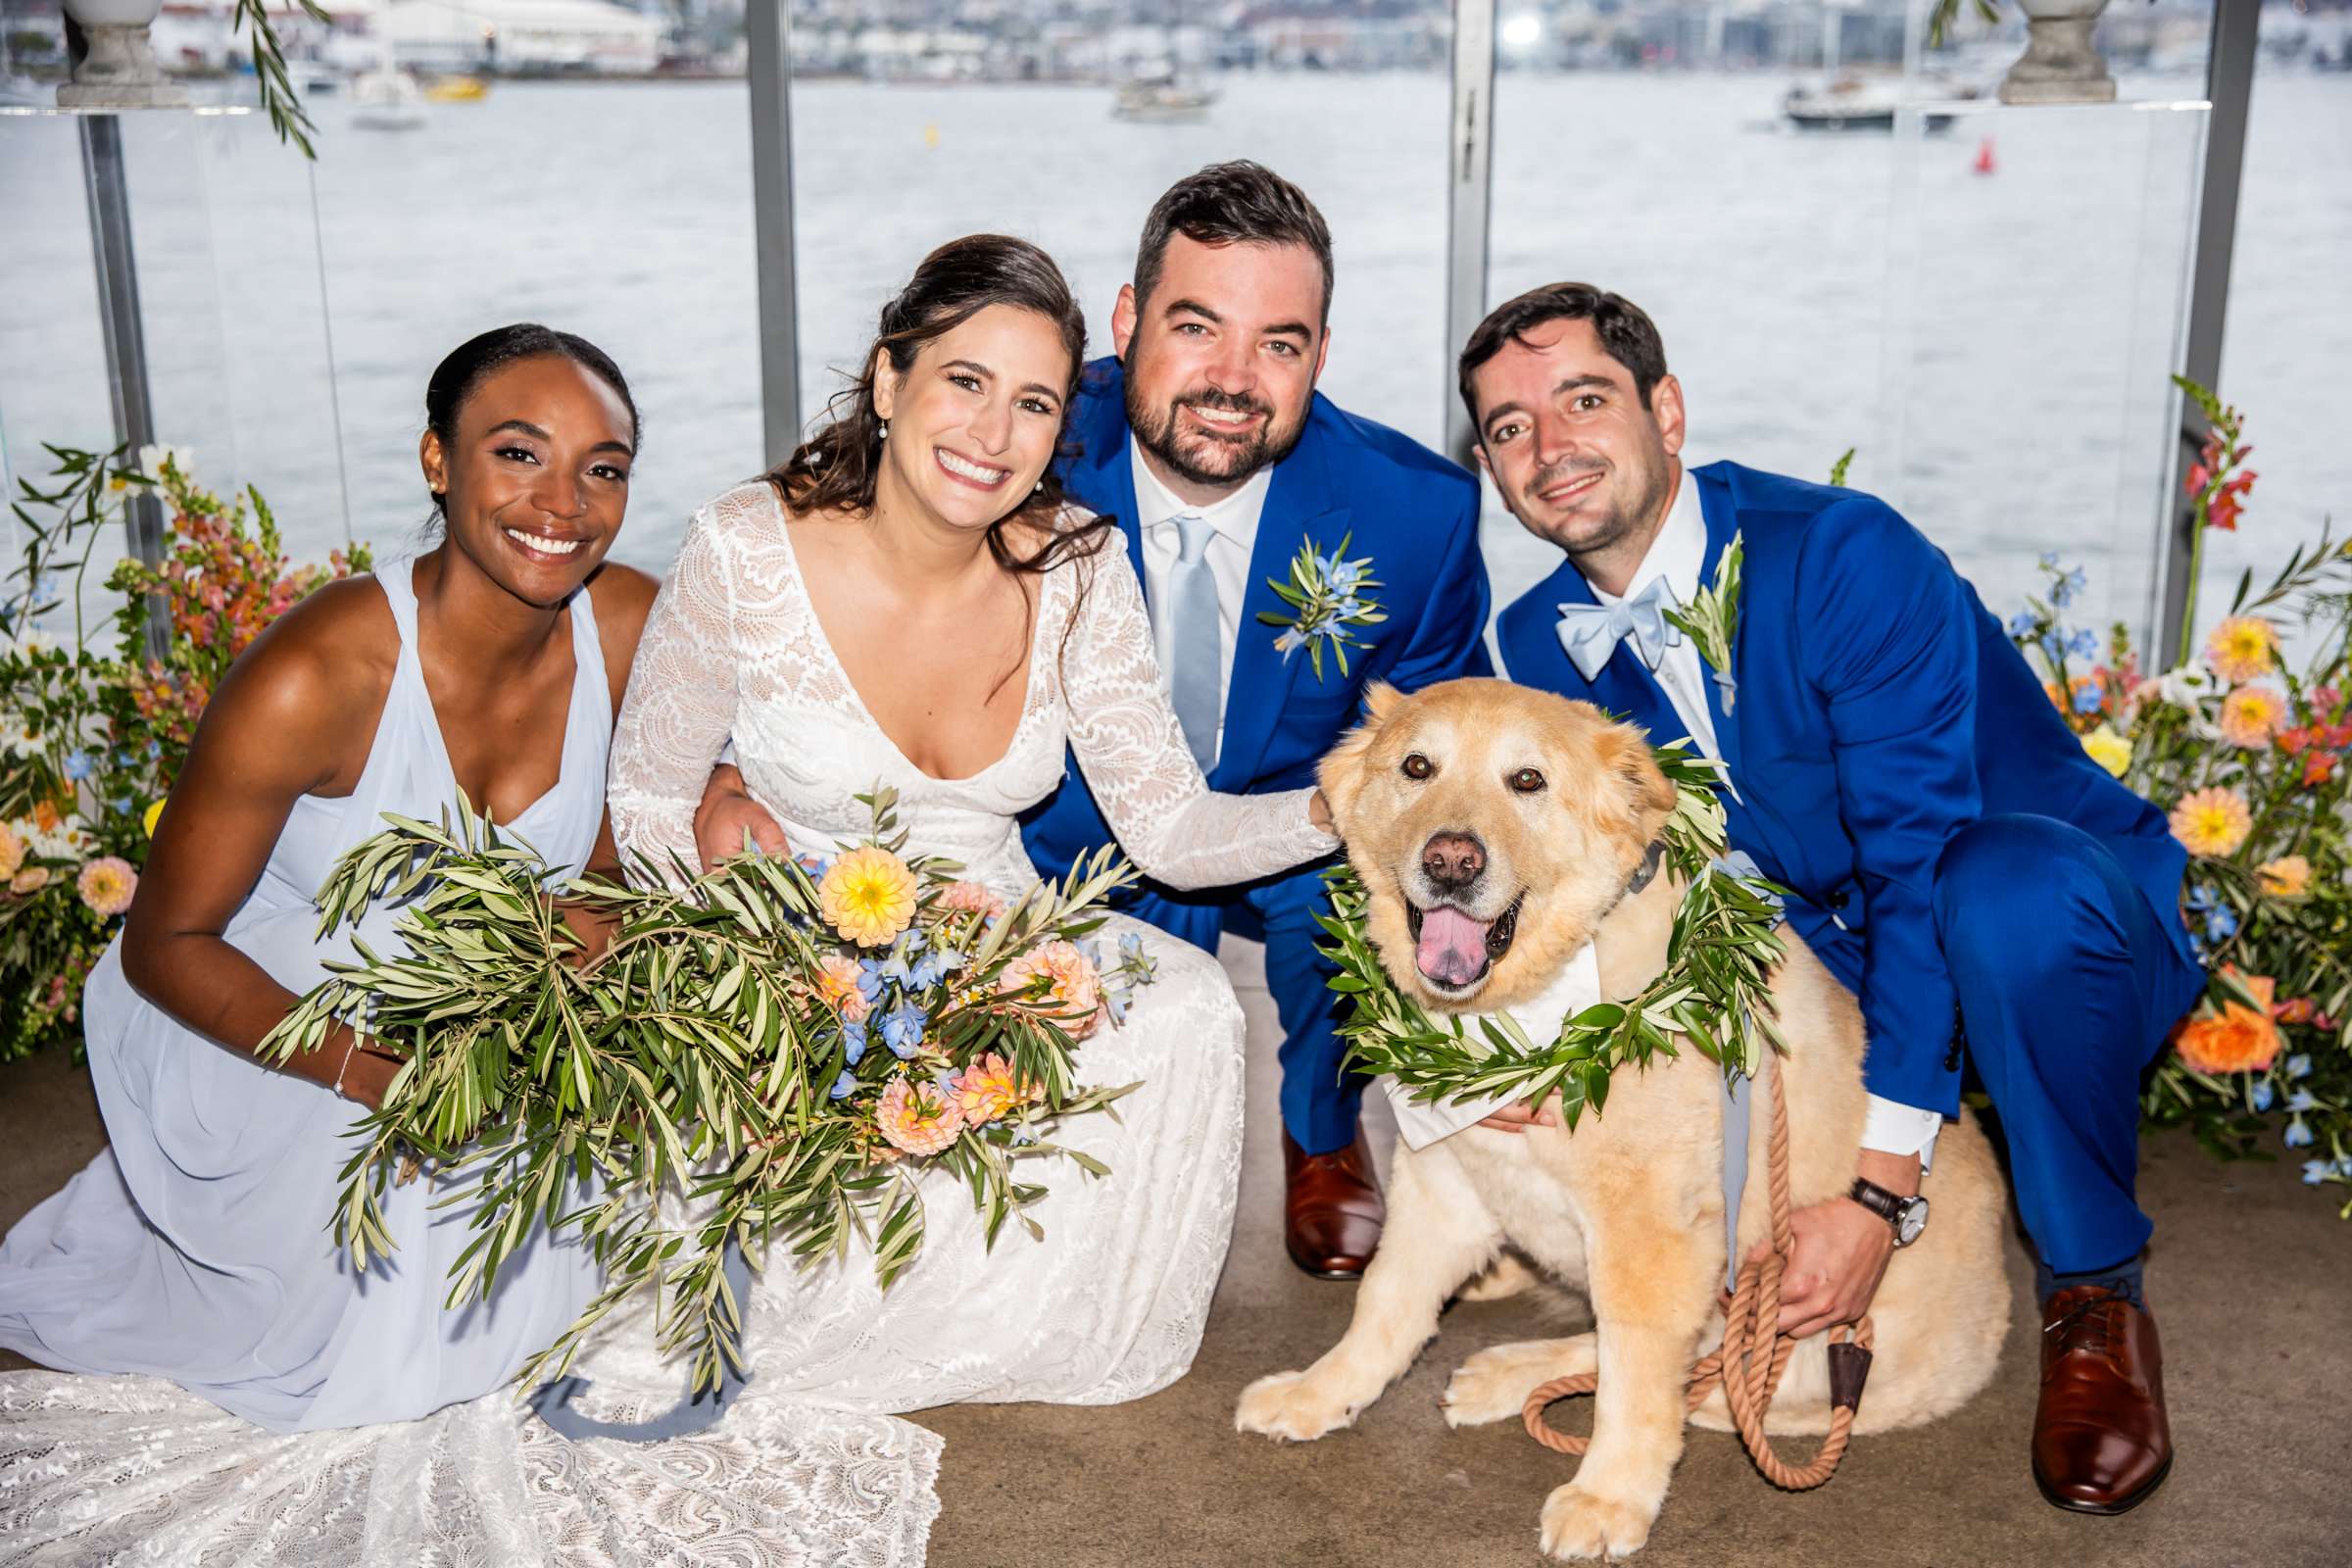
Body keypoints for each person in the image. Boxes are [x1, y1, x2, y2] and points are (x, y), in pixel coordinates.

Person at [1463, 282, 2204, 1516]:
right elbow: (1619, 886)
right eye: (1508, 428)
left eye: (1582, 399)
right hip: (1831, 960)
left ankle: (2095, 1293)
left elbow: (1916, 863)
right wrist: (1542, 1048)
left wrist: (1874, 1192)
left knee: (1998, 890)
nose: (1549, 446)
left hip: (2047, 923)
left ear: (1669, 410)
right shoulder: (1537, 643)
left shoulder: (1844, 555)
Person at [695, 164, 1494, 1279]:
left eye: (1280, 342)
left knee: (1339, 880)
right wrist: (730, 764)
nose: (1232, 378)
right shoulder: (1014, 438)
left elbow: (1449, 727)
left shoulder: (1415, 512)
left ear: (1321, 351)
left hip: (1286, 811)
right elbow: (833, 589)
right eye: (1195, 325)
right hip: (1067, 825)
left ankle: (1321, 1129)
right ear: (1126, 322)